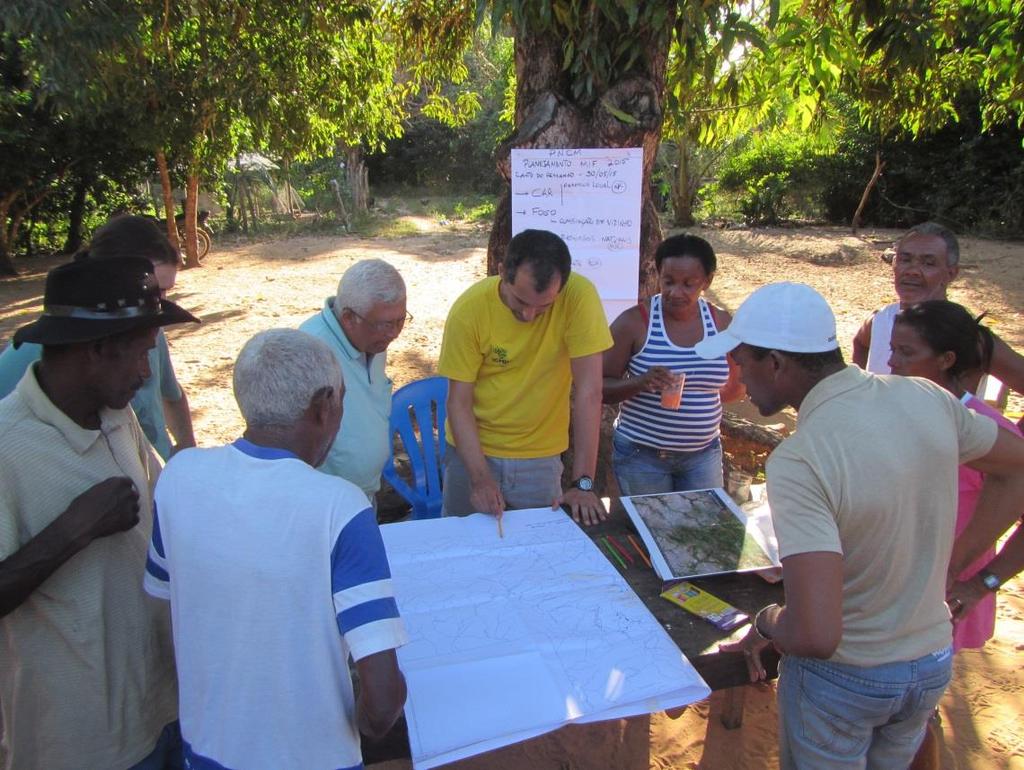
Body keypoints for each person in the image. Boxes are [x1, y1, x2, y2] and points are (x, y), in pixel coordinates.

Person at [695, 282, 1024, 769]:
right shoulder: (925, 398)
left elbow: (815, 635)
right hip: (929, 663)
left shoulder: (800, 460)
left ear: (777, 364)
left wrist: (766, 622)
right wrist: (960, 564)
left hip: (846, 680)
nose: (735, 374)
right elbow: (1016, 466)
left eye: (741, 361)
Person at [144, 329, 408, 769]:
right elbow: (383, 700)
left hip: (205, 749)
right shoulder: (341, 507)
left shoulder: (178, 477)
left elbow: (167, 608)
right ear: (324, 406)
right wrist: (364, 724)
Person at [0, 256, 199, 769]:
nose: (144, 373)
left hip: (163, 703)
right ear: (94, 351)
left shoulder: (117, 413)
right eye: (139, 356)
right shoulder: (7, 446)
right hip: (84, 741)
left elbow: (162, 511)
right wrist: (73, 529)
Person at [438, 229, 613, 525]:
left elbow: (589, 392)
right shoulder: (469, 310)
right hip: (472, 453)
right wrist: (480, 478)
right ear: (502, 272)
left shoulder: (579, 297)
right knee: (463, 551)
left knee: (540, 554)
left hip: (541, 459)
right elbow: (458, 403)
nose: (529, 316)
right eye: (520, 301)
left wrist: (583, 482)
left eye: (544, 307)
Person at [0, 214, 197, 460]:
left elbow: (172, 394)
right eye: (152, 290)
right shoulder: (40, 350)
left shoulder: (151, 335)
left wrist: (188, 452)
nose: (159, 305)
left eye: (165, 292)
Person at [888, 300, 1023, 651]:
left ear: (946, 360)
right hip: (888, 585)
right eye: (892, 350)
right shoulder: (893, 410)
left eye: (905, 352)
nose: (891, 362)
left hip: (943, 598)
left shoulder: (993, 436)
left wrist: (981, 583)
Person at [602, 234, 744, 494]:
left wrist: (697, 405)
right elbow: (600, 388)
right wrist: (640, 383)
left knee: (701, 529)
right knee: (647, 530)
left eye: (689, 284)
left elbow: (737, 387)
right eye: (668, 282)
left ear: (708, 281)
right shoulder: (634, 322)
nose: (675, 292)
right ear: (658, 274)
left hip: (703, 455)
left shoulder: (722, 323)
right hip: (641, 455)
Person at [852, 221, 1024, 410]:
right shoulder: (879, 320)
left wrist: (1012, 436)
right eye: (905, 259)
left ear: (951, 273)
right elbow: (860, 343)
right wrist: (860, 392)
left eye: (928, 263)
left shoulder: (970, 338)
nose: (912, 271)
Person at [299, 259, 407, 500]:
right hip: (326, 502)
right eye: (386, 324)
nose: (394, 333)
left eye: (401, 321)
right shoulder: (311, 351)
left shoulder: (372, 338)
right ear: (348, 318)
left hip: (362, 495)